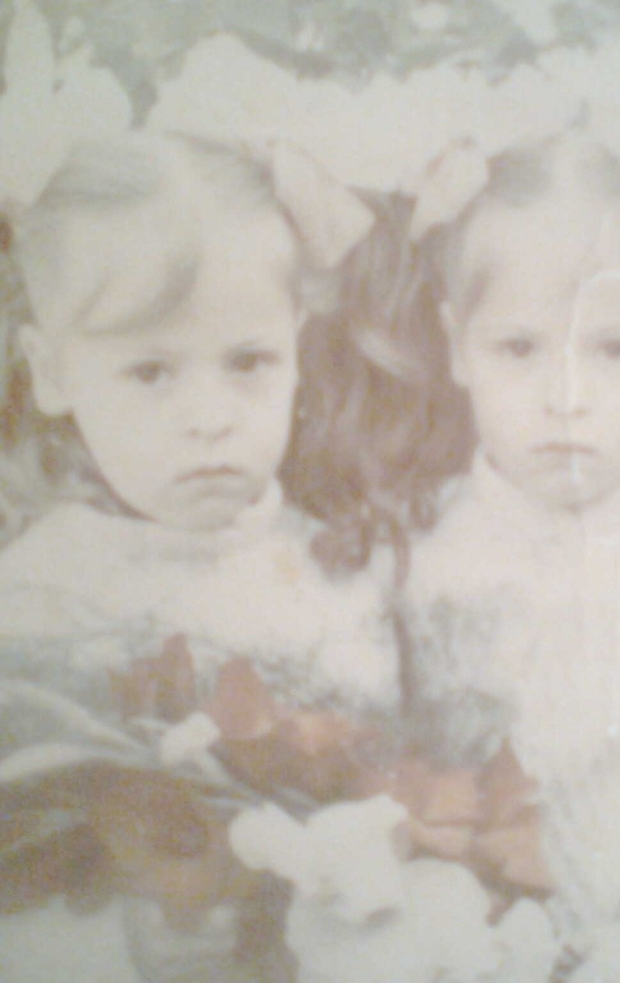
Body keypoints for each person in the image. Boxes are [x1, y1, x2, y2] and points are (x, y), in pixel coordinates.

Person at [0, 130, 400, 982]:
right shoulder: (38, 602)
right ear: (53, 373)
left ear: (297, 349)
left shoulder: (337, 571)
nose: (211, 417)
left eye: (249, 360)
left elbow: (385, 802)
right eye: (151, 372)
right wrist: (110, 943)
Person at [393, 135, 620, 981]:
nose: (566, 397)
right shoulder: (418, 556)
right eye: (519, 348)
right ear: (457, 346)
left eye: (616, 349)